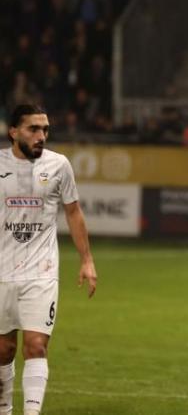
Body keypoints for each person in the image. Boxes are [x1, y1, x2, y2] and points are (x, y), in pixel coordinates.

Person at [0, 104, 97, 415]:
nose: (41, 135)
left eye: (45, 129)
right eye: (33, 129)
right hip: (1, 272)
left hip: (41, 272)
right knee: (4, 350)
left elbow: (73, 212)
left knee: (36, 346)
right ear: (13, 132)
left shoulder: (59, 165)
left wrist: (87, 260)